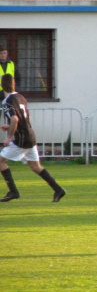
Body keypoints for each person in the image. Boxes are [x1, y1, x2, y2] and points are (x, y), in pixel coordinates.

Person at [0, 74, 65, 203]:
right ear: (14, 84)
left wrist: (10, 136)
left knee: (0, 161)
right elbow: (26, 119)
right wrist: (10, 127)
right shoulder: (21, 98)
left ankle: (13, 191)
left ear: (2, 86)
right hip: (30, 135)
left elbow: (15, 118)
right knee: (35, 166)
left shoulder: (7, 101)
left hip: (21, 139)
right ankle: (58, 190)